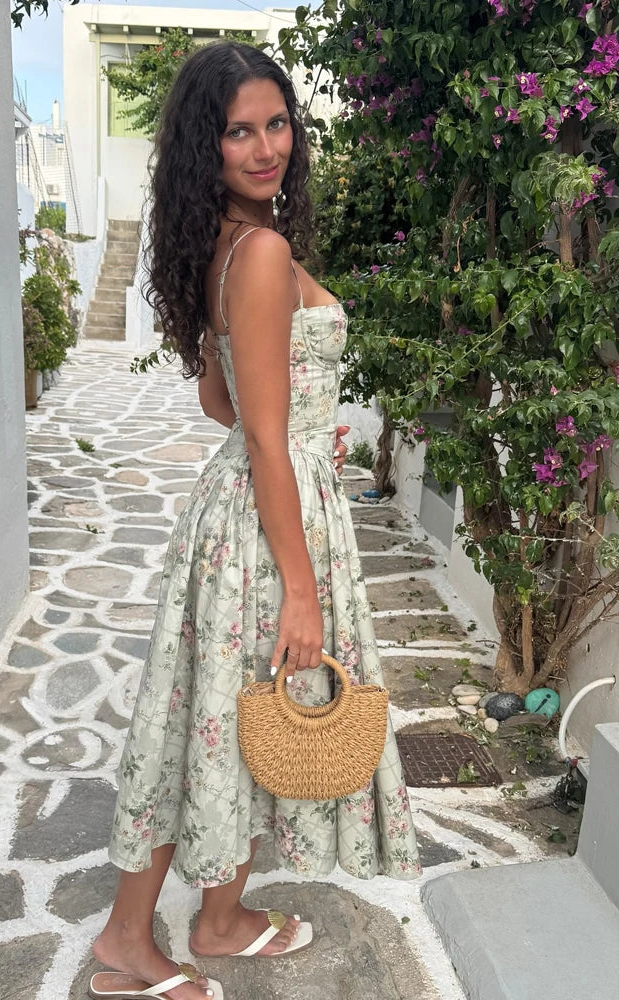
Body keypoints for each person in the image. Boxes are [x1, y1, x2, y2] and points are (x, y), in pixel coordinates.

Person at [88, 42, 421, 1000]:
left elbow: (220, 405)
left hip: (238, 513)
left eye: (278, 123)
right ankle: (126, 940)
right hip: (265, 533)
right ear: (209, 146)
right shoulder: (263, 251)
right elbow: (261, 436)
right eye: (241, 130)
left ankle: (221, 918)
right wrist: (302, 583)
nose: (266, 146)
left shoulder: (226, 245)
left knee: (204, 718)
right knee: (209, 721)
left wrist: (303, 444)